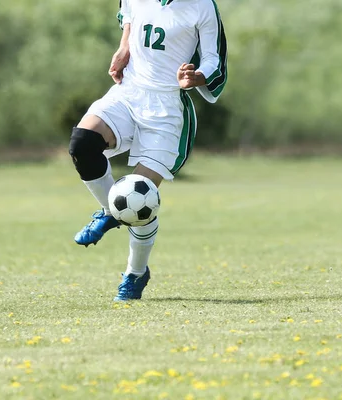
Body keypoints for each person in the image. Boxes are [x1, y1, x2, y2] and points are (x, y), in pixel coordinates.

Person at [68, 0, 228, 301]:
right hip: (128, 93)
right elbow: (128, 14)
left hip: (166, 109)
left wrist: (196, 77)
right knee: (82, 144)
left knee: (140, 194)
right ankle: (109, 210)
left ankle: (135, 273)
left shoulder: (202, 5)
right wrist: (124, 45)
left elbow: (213, 59)